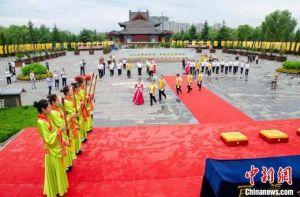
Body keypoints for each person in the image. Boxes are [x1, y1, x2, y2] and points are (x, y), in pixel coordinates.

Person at [34, 99, 69, 197]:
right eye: (49, 107)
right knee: (54, 171)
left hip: (56, 147)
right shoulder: (41, 122)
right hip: (51, 150)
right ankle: (55, 190)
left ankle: (58, 189)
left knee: (57, 170)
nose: (50, 108)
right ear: (43, 109)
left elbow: (54, 130)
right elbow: (48, 138)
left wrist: (64, 141)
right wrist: (59, 131)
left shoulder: (46, 118)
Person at [47, 94, 75, 172]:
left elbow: (63, 118)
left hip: (64, 130)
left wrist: (68, 118)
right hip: (61, 132)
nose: (59, 101)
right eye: (57, 100)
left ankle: (68, 163)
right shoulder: (53, 112)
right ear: (52, 102)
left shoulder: (57, 108)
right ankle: (65, 165)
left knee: (67, 148)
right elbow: (60, 124)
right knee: (64, 148)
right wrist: (70, 117)